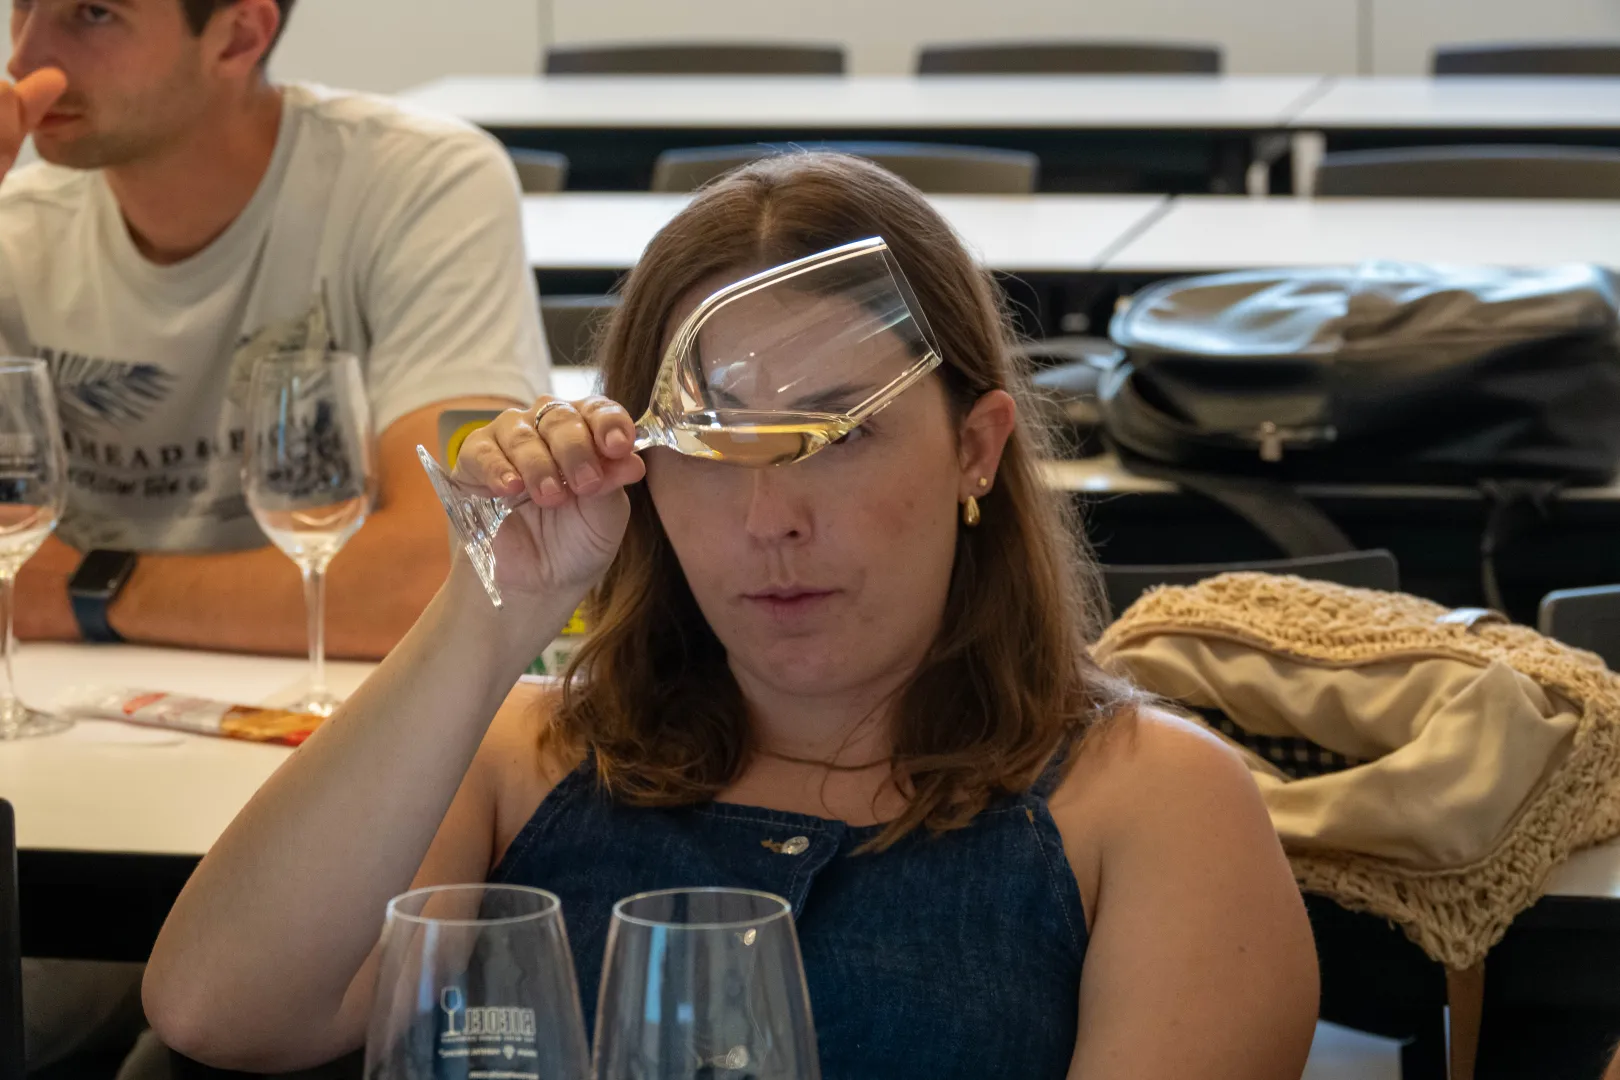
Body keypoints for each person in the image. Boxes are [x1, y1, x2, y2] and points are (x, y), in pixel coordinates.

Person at [142, 152, 1320, 1079]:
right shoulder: (528, 754)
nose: (769, 518)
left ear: (975, 448)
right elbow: (217, 1009)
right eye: (708, 447)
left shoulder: (1152, 806)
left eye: (841, 435)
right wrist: (492, 610)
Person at [2, 0, 549, 661]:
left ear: (238, 37)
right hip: (76, 714)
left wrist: (84, 591)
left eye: (91, 14)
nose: (24, 59)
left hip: (342, 715)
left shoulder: (422, 184)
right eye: (22, 6)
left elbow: (461, 562)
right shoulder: (16, 226)